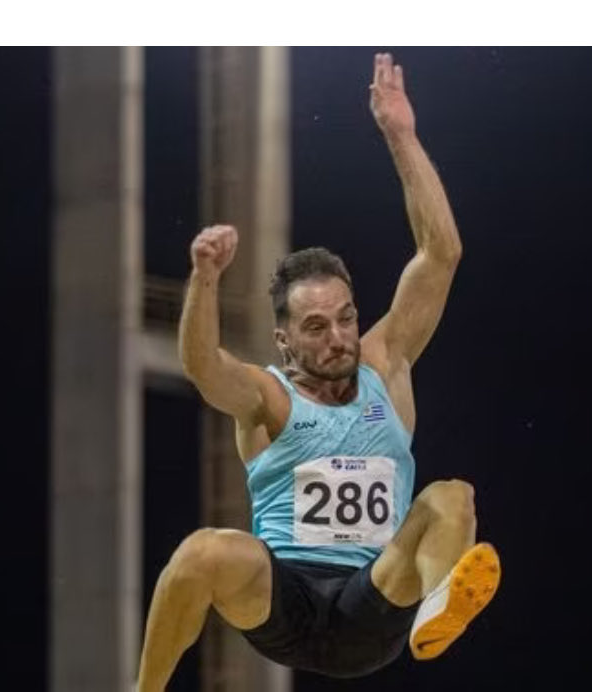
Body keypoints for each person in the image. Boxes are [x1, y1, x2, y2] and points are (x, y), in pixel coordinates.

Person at [136, 53, 501, 691]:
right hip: (287, 603)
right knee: (202, 551)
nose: (338, 338)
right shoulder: (266, 399)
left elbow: (441, 254)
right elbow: (200, 365)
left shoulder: (386, 364)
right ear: (284, 343)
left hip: (378, 601)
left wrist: (402, 135)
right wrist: (204, 280)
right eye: (315, 327)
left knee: (452, 498)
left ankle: (439, 607)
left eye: (345, 318)